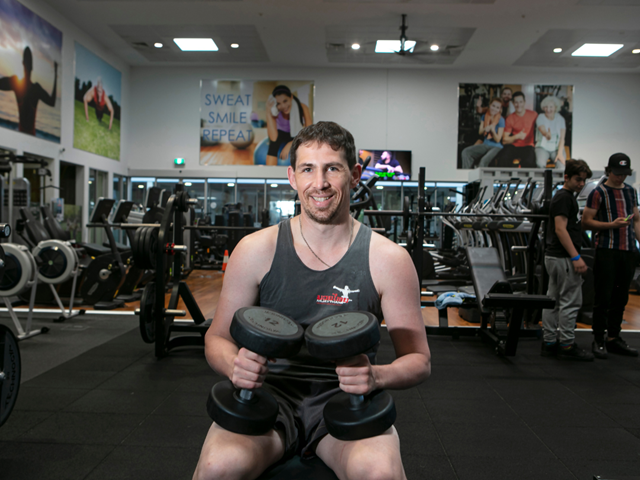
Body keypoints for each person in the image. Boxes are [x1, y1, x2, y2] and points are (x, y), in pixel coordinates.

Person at [193, 121, 431, 480]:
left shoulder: (388, 259)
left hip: (345, 405)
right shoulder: (256, 250)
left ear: (354, 175)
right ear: (292, 177)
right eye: (308, 169)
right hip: (267, 400)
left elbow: (419, 360)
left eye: (332, 169)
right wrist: (233, 366)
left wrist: (376, 376)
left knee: (380, 472)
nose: (319, 183)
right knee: (217, 467)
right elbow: (217, 339)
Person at [582, 153, 640, 359]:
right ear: (609, 171)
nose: (620, 177)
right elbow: (586, 221)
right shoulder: (599, 192)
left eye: (624, 174)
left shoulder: (631, 192)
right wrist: (611, 225)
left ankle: (613, 338)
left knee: (621, 297)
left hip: (628, 250)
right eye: (617, 173)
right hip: (606, 250)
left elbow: (636, 220)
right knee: (603, 296)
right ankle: (598, 338)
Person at [541, 159, 593, 361]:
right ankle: (566, 345)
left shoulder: (565, 197)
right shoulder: (564, 198)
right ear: (566, 177)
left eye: (583, 181)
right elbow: (560, 229)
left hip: (555, 257)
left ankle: (550, 342)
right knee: (570, 303)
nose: (581, 184)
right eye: (578, 179)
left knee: (552, 301)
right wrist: (576, 257)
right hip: (563, 258)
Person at [0, 46, 57, 135]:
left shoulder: (18, 85)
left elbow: (52, 102)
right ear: (32, 67)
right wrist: (56, 74)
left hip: (24, 135)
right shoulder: (33, 88)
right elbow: (52, 102)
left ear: (23, 63)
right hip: (28, 135)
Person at [265, 85, 312, 166]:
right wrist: (268, 112)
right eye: (279, 103)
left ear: (291, 97)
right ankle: (268, 174)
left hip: (296, 134)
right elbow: (273, 138)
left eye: (285, 101)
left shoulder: (302, 107)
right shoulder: (275, 111)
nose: (283, 106)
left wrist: (291, 143)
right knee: (273, 145)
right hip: (280, 133)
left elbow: (310, 132)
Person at [491, 91, 537, 168]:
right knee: (503, 159)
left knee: (529, 162)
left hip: (528, 146)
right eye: (516, 102)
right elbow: (505, 140)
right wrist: (517, 136)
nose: (518, 105)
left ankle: (526, 180)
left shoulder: (534, 115)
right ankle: (504, 179)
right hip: (514, 146)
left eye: (520, 102)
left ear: (524, 102)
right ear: (513, 103)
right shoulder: (510, 118)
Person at [461, 97, 504, 169]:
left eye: (497, 107)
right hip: (485, 144)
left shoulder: (501, 120)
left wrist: (493, 131)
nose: (494, 109)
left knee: (483, 161)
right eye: (493, 106)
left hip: (496, 147)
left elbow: (498, 139)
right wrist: (485, 129)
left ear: (500, 109)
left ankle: (480, 179)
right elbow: (480, 132)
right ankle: (467, 176)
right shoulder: (484, 116)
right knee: (465, 152)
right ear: (490, 105)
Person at [535, 96, 566, 169]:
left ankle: (556, 180)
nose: (548, 109)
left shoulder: (560, 119)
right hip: (542, 147)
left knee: (561, 166)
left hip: (556, 148)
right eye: (546, 107)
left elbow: (562, 138)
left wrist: (560, 153)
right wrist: (547, 135)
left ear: (555, 107)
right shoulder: (540, 117)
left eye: (551, 107)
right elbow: (542, 130)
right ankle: (542, 180)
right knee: (540, 164)